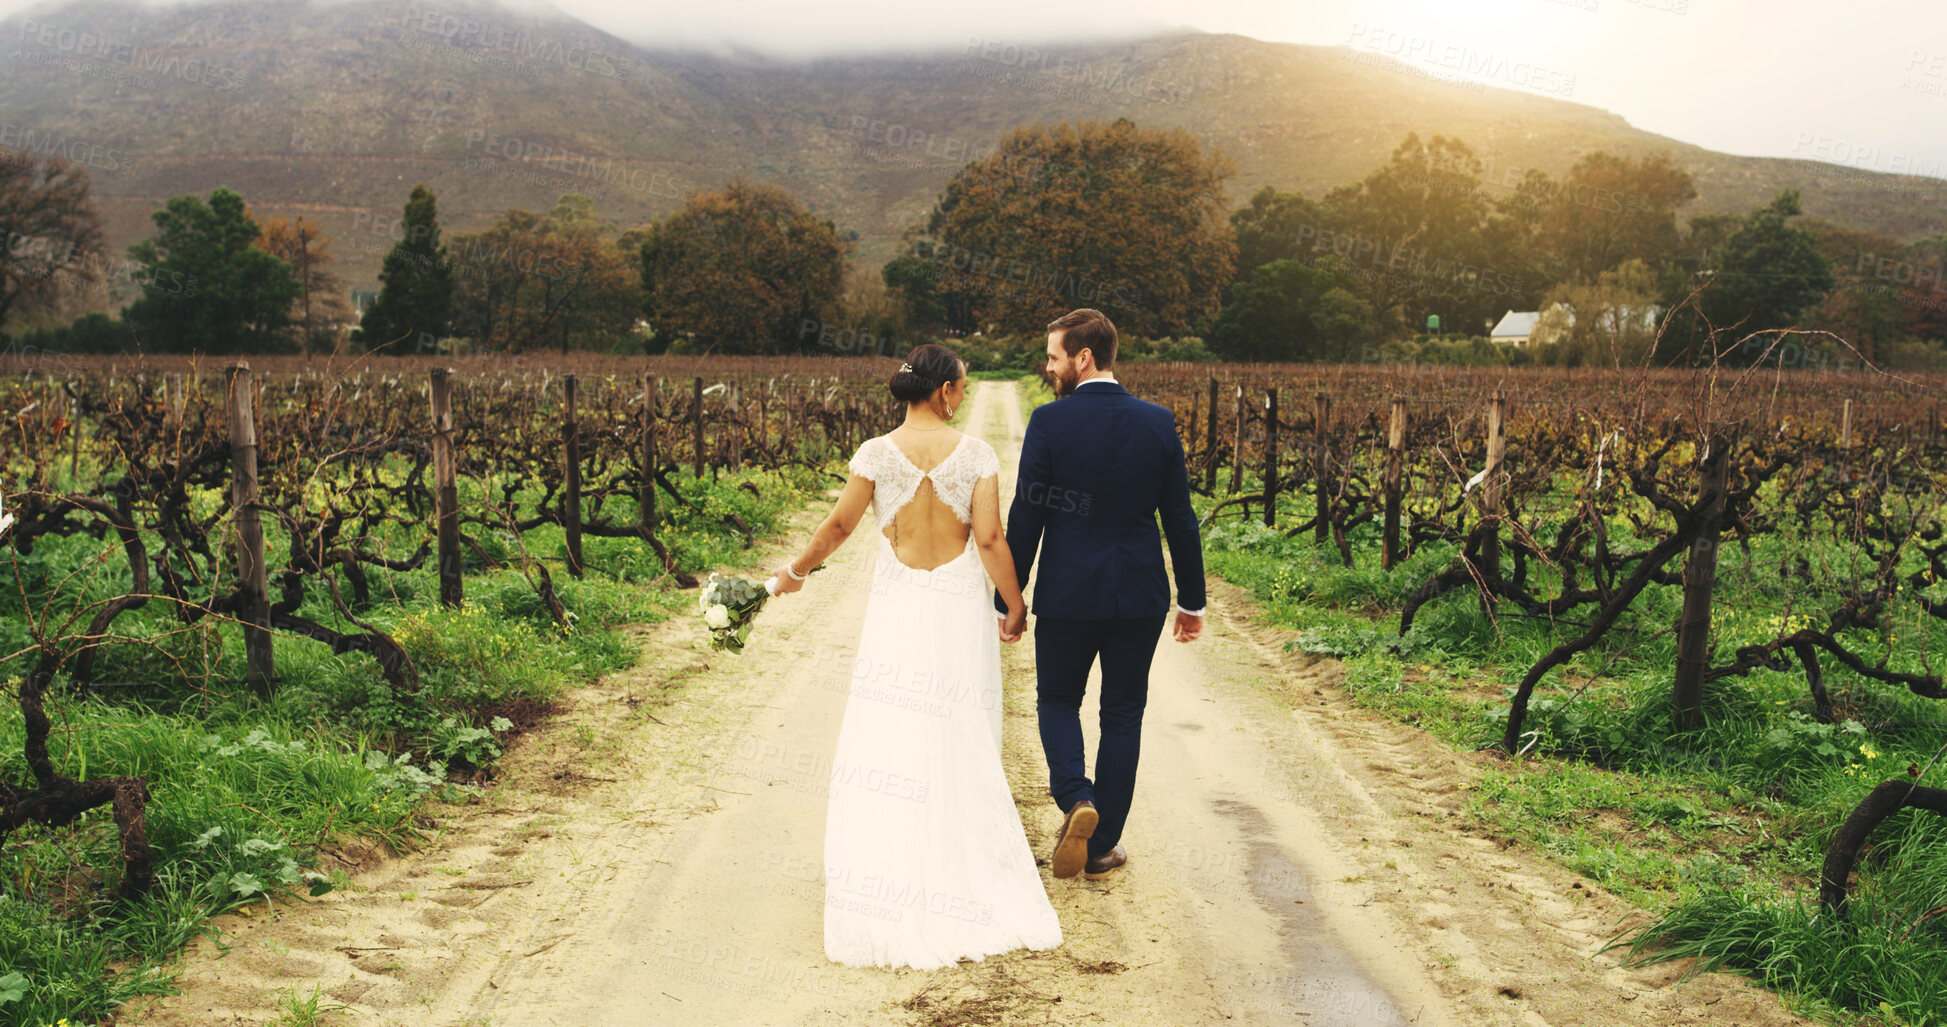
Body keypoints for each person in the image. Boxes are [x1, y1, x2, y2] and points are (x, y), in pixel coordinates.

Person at [770, 342, 1062, 969]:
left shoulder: (876, 453)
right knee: (960, 727)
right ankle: (961, 863)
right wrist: (1015, 603)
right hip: (957, 607)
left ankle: (889, 867)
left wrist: (794, 573)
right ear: (944, 391)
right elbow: (989, 538)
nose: (962, 395)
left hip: (898, 608)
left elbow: (840, 527)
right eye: (961, 386)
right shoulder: (976, 455)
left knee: (893, 727)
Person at [993, 308, 1206, 881]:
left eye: (1054, 356)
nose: (1048, 366)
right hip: (1139, 596)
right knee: (1123, 714)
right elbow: (1180, 519)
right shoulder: (1158, 422)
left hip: (1068, 594)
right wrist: (1191, 601)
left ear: (1083, 357)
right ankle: (1101, 845)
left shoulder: (1050, 423)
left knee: (1058, 700)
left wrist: (1009, 599)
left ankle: (1076, 797)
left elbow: (1027, 515)